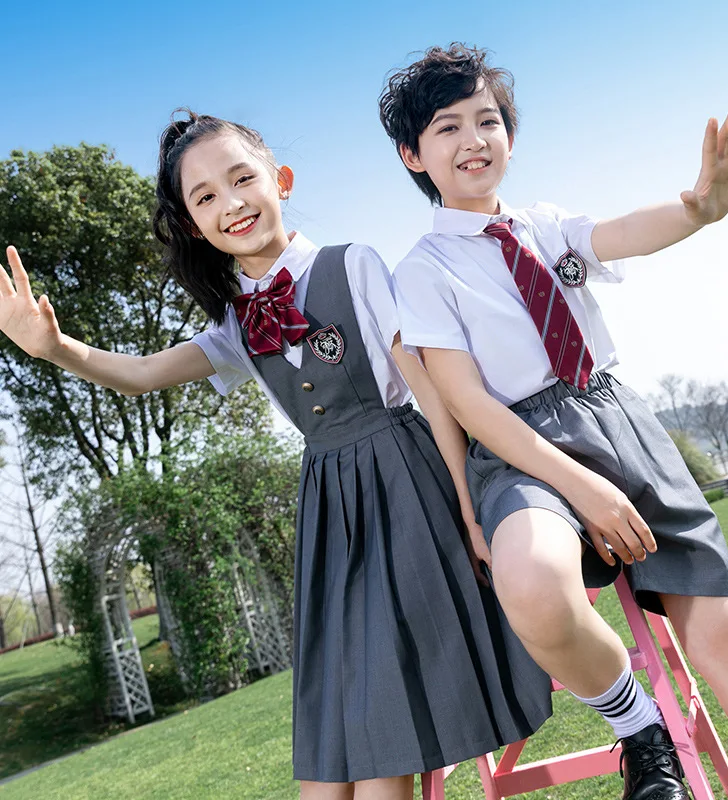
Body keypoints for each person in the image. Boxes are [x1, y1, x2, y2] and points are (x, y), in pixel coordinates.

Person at [0, 111, 556, 800]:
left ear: (280, 181)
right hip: (331, 513)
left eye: (242, 179)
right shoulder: (237, 320)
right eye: (205, 197)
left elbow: (431, 393)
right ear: (193, 225)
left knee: (384, 740)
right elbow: (143, 372)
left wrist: (469, 512)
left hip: (406, 490)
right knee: (325, 764)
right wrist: (56, 350)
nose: (230, 203)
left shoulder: (352, 264)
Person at [380, 43, 728, 800]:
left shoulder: (547, 227)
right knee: (534, 581)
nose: (473, 140)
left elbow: (624, 232)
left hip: (617, 421)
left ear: (510, 135)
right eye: (447, 128)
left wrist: (701, 208)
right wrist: (584, 490)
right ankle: (639, 728)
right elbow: (470, 404)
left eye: (486, 121)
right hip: (518, 450)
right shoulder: (423, 270)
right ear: (413, 154)